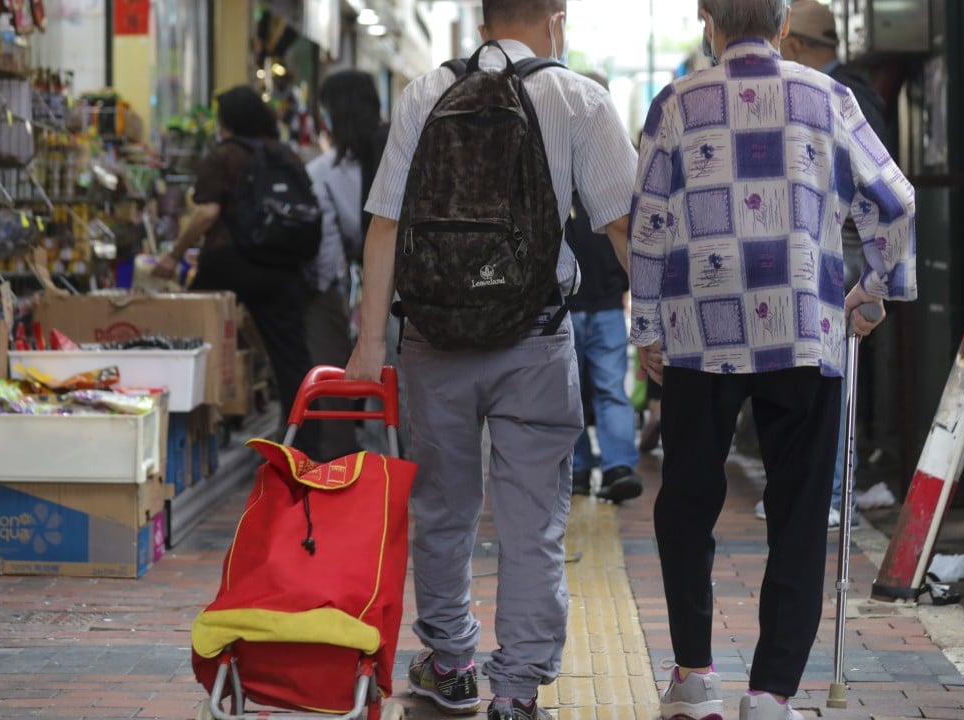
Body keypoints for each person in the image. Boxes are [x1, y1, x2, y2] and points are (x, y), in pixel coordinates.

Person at [344, 3, 638, 720]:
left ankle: (450, 663)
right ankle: (516, 688)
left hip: (433, 339)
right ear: (557, 20)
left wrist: (369, 342)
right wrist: (657, 328)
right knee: (532, 521)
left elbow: (385, 223)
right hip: (535, 339)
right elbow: (625, 225)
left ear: (481, 22)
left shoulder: (425, 91)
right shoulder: (579, 98)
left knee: (443, 510)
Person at [629, 3, 916, 720]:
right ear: (784, 23)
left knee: (686, 503)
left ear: (706, 20)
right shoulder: (828, 98)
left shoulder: (676, 103)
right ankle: (771, 692)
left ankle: (695, 678)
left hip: (700, 335)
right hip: (804, 332)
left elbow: (650, 223)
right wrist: (873, 289)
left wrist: (647, 329)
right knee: (798, 512)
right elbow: (895, 200)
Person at [766, 0, 900, 529]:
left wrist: (874, 281)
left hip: (835, 252)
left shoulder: (830, 95)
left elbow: (883, 193)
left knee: (825, 374)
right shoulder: (855, 91)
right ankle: (826, 491)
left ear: (796, 44)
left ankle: (834, 493)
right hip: (845, 252)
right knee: (825, 372)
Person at [154, 85, 319, 456]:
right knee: (291, 358)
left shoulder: (224, 155)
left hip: (230, 261)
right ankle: (305, 445)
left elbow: (207, 212)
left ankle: (194, 433)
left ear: (226, 121)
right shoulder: (286, 155)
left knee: (192, 336)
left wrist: (174, 254)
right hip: (282, 266)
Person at [306, 69, 399, 460]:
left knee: (378, 380)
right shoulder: (400, 150)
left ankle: (381, 468)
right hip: (417, 284)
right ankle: (413, 465)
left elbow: (329, 252)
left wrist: (339, 297)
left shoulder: (324, 172)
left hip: (376, 286)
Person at [564, 75, 642, 501]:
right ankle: (603, 467)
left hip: (595, 304)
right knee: (597, 390)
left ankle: (608, 467)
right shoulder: (616, 166)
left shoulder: (562, 161)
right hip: (586, 305)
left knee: (579, 392)